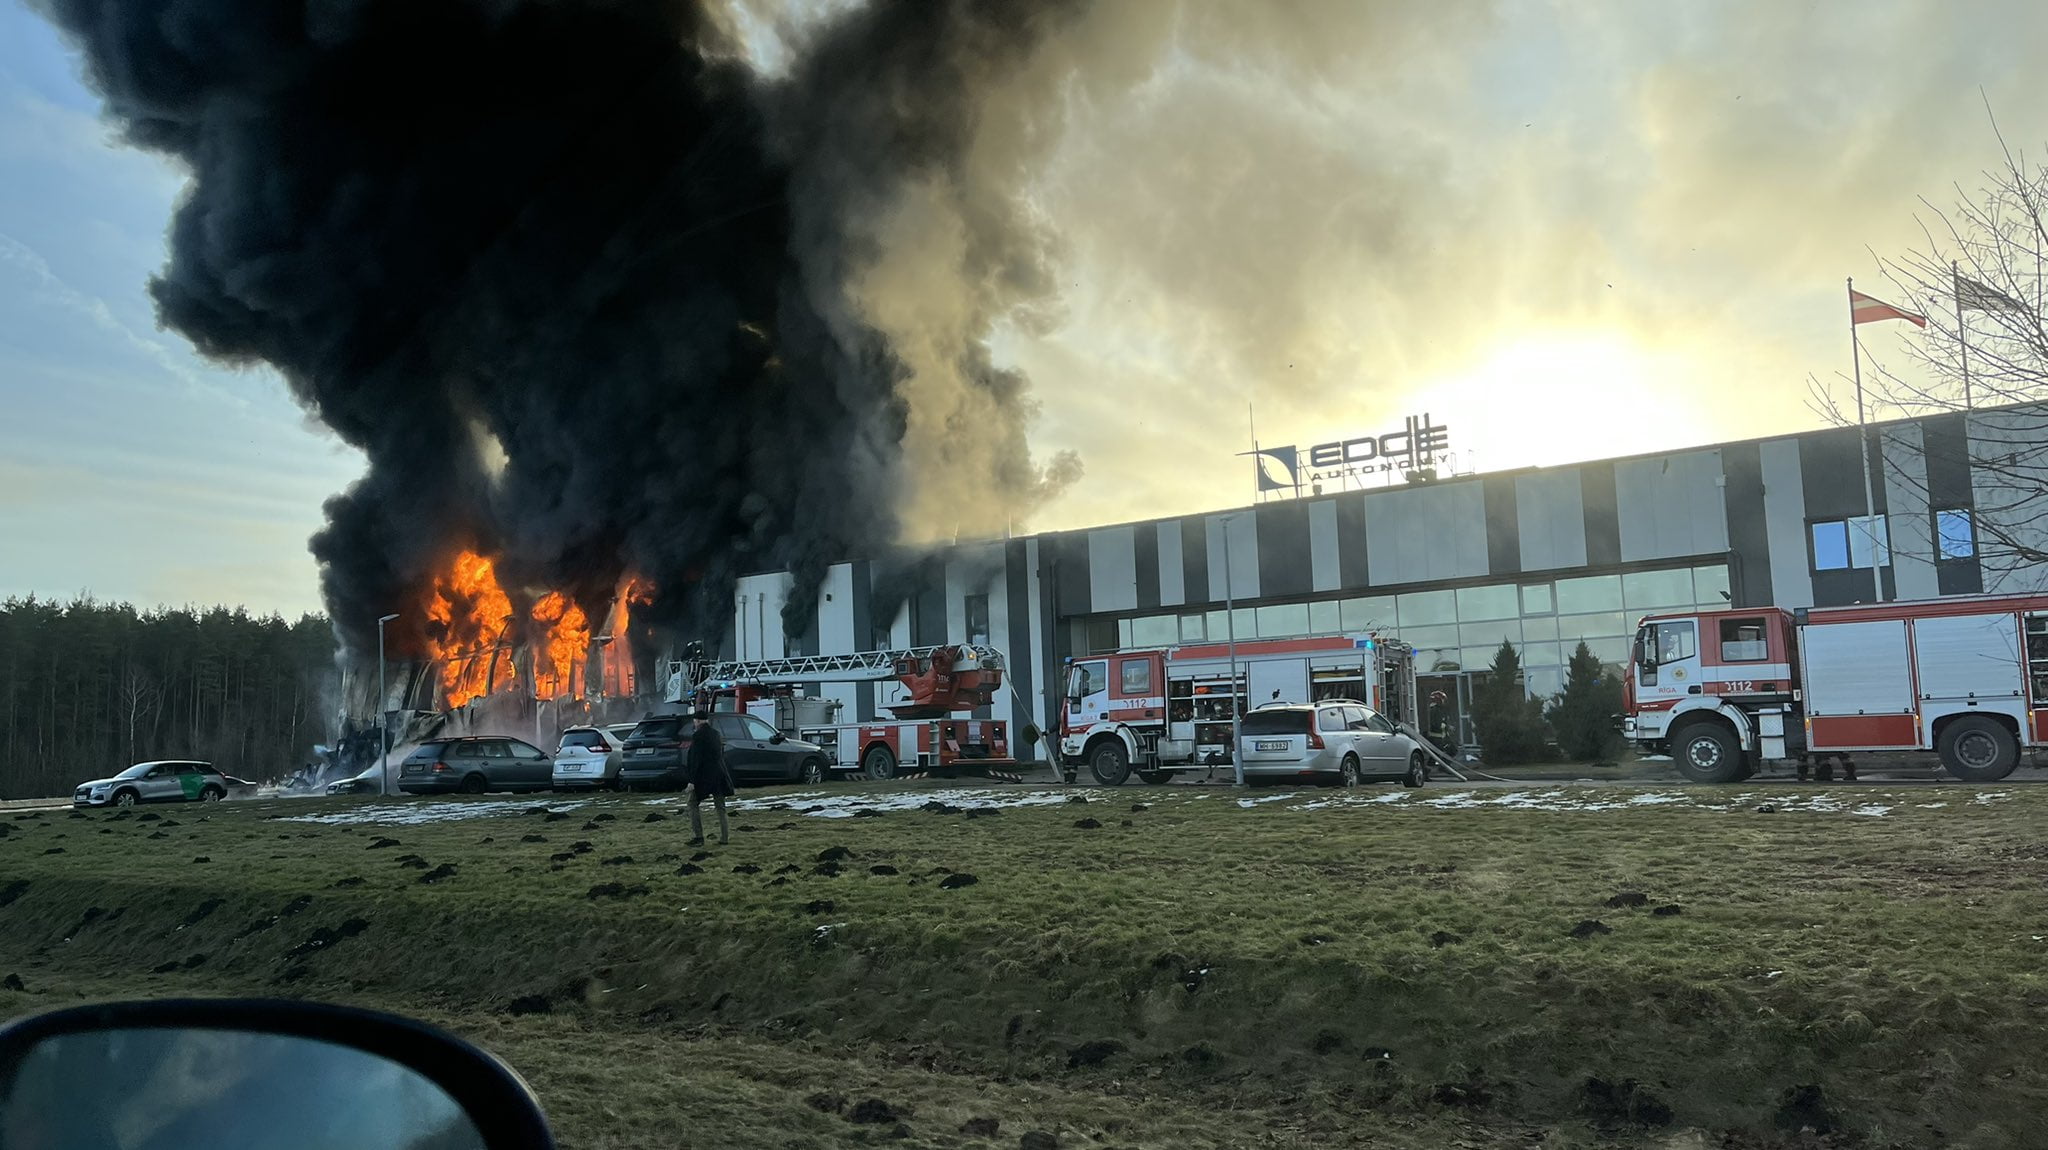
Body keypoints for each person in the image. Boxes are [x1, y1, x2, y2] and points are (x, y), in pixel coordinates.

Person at [685, 710, 733, 846]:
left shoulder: (698, 736)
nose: (694, 723)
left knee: (692, 803)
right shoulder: (716, 734)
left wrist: (692, 781)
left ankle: (698, 837)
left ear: (698, 721)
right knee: (720, 807)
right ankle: (724, 838)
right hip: (719, 775)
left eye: (695, 721)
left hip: (703, 777)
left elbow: (696, 759)